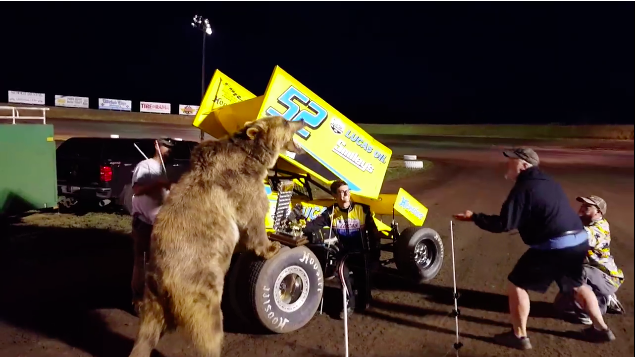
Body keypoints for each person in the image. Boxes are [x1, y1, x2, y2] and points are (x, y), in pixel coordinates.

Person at [453, 148, 615, 351]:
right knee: (577, 284)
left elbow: (504, 224)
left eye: (510, 161)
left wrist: (474, 217)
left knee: (517, 283)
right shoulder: (549, 182)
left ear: (523, 165)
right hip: (577, 242)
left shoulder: (524, 187)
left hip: (556, 246)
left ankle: (519, 335)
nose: (507, 164)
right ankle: (601, 329)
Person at [300, 180, 381, 320]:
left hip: (362, 251)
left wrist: (375, 254)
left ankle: (365, 296)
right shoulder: (331, 212)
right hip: (345, 253)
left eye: (347, 191)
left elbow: (374, 234)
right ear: (335, 196)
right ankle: (349, 302)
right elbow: (313, 226)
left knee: (364, 284)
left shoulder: (363, 210)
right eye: (341, 193)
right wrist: (300, 225)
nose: (345, 195)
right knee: (342, 273)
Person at [554, 195, 625, 324]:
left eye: (588, 206)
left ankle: (590, 311)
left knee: (575, 273)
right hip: (591, 272)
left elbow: (580, 236)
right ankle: (605, 297)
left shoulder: (600, 228)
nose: (583, 207)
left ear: (598, 212)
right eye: (583, 204)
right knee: (560, 306)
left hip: (606, 275)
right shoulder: (582, 221)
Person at [130, 138, 174, 310]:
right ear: (157, 145)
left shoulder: (164, 169)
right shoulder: (145, 166)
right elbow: (137, 189)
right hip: (144, 224)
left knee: (159, 263)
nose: (168, 150)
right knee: (141, 262)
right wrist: (158, 183)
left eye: (171, 147)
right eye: (166, 146)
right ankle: (138, 299)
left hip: (161, 224)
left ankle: (156, 300)